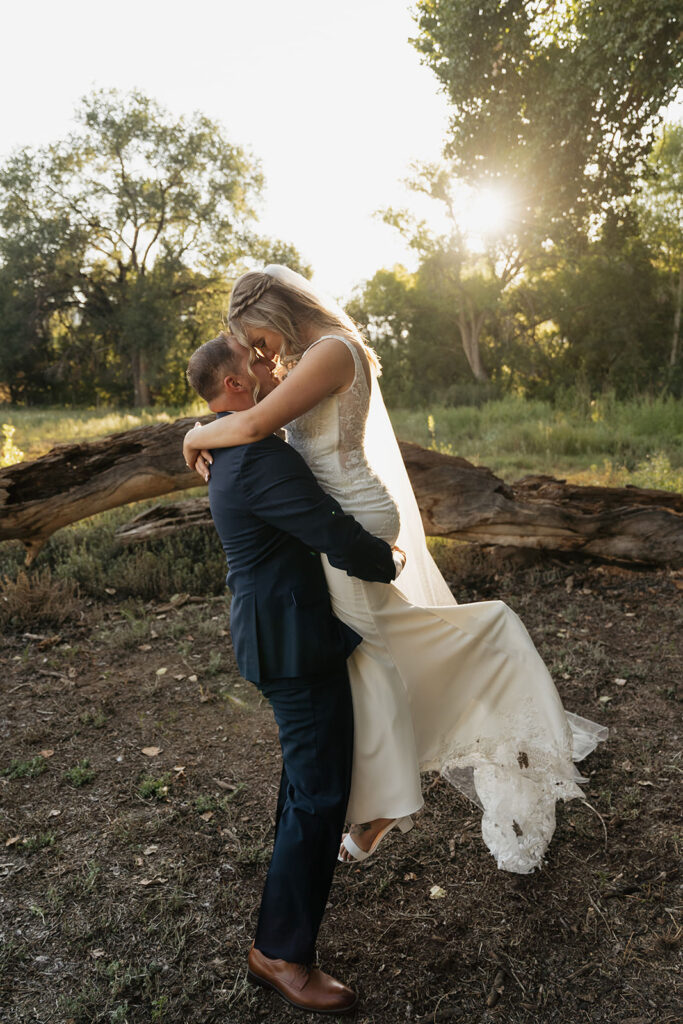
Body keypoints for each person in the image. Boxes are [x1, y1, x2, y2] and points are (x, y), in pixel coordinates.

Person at [183, 265, 608, 875]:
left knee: (377, 662)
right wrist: (197, 435)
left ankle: (384, 803)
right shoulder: (317, 353)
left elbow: (251, 425)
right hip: (338, 525)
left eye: (258, 339)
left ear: (274, 311)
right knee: (379, 658)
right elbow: (252, 426)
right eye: (251, 349)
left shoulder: (331, 351)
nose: (259, 354)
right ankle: (383, 798)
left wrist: (193, 436)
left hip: (352, 521)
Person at [185, 332, 403, 1014]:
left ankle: (278, 940)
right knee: (316, 799)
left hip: (282, 633)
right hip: (292, 644)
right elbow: (329, 531)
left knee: (306, 790)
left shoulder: (230, 440)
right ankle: (279, 954)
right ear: (238, 387)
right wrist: (387, 561)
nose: (276, 366)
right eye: (260, 363)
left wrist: (194, 432)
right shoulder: (255, 458)